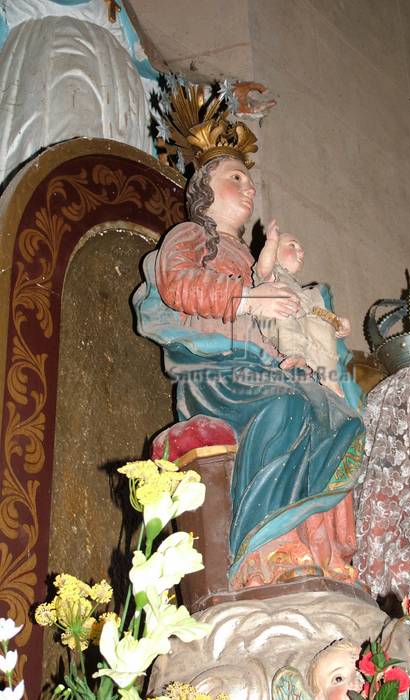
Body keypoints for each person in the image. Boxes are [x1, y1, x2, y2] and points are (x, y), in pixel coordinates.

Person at [133, 145, 365, 589]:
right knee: (284, 406)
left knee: (336, 414)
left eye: (251, 181)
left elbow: (272, 329)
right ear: (204, 191)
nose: (249, 188)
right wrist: (247, 298)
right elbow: (177, 284)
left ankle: (327, 554)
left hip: (263, 370)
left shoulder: (254, 261)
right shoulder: (192, 235)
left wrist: (291, 354)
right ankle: (265, 550)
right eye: (235, 178)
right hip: (214, 371)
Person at [254, 221, 351, 397]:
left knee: (324, 328)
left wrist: (336, 322)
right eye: (292, 246)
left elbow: (316, 310)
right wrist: (271, 242)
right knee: (285, 309)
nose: (301, 252)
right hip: (276, 315)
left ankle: (329, 375)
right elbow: (263, 269)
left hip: (301, 315)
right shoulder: (273, 273)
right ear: (275, 251)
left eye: (301, 250)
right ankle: (294, 354)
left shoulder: (300, 289)